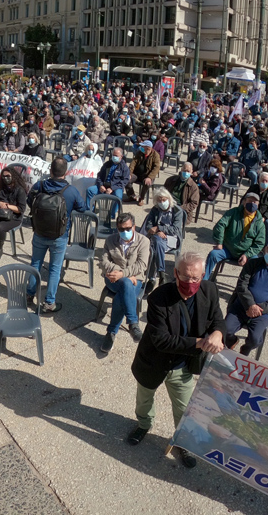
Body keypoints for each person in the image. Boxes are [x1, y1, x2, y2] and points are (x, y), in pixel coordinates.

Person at [127, 251, 226, 469]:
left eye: (195, 278)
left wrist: (218, 333)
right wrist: (200, 343)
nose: (190, 282)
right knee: (144, 399)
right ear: (175, 273)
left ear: (203, 275)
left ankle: (182, 441)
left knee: (185, 408)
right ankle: (143, 425)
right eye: (185, 276)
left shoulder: (209, 291)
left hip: (183, 366)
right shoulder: (158, 299)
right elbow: (162, 341)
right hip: (154, 361)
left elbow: (218, 319)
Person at [27, 157, 84, 313]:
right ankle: (49, 302)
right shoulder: (71, 191)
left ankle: (29, 294)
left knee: (35, 264)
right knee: (54, 269)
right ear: (66, 173)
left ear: (50, 171)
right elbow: (82, 207)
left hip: (39, 232)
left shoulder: (39, 186)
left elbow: (29, 200)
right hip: (60, 235)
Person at [223, 238, 268, 356]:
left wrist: (258, 308)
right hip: (241, 306)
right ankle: (232, 341)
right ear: (265, 250)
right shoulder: (252, 264)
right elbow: (242, 285)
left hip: (262, 313)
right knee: (225, 329)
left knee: (255, 339)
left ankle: (245, 350)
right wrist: (250, 305)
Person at [99, 213, 150, 353]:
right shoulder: (110, 240)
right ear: (117, 228)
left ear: (134, 226)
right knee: (126, 284)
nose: (125, 232)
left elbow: (142, 265)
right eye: (121, 229)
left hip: (135, 280)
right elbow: (104, 262)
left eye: (128, 228)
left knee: (123, 291)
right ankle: (133, 323)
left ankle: (111, 332)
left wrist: (123, 275)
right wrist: (122, 274)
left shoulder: (144, 241)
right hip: (112, 279)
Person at [203, 193, 267, 280]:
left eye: (254, 202)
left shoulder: (259, 222)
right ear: (244, 202)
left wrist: (247, 255)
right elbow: (220, 225)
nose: (252, 204)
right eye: (249, 201)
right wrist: (219, 242)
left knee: (255, 263)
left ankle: (246, 287)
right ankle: (204, 281)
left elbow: (260, 243)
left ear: (258, 204)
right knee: (213, 254)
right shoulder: (233, 212)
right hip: (228, 249)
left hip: (246, 253)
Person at [142, 188, 184, 284]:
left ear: (168, 199)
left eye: (164, 200)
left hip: (172, 238)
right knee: (157, 243)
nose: (162, 202)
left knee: (154, 246)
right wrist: (157, 232)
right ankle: (161, 274)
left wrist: (158, 228)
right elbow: (148, 225)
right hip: (157, 237)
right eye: (159, 200)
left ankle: (152, 278)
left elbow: (176, 230)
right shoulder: (155, 209)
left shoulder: (177, 211)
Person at [0, 167, 27, 262]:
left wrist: (7, 206)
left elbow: (21, 209)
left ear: (13, 176)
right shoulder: (1, 188)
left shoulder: (20, 190)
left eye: (8, 176)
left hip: (14, 217)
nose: (5, 178)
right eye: (3, 176)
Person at [125, 140, 161, 206]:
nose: (141, 147)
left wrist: (150, 177)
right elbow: (133, 163)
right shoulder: (140, 153)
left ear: (148, 148)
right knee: (126, 178)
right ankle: (132, 195)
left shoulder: (156, 155)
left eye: (143, 147)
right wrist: (130, 173)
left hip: (148, 175)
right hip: (138, 174)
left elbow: (156, 168)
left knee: (147, 183)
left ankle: (141, 198)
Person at [247, 171, 268, 244]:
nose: (264, 182)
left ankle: (265, 245)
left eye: (266, 181)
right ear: (259, 181)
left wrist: (264, 217)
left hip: (262, 215)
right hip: (249, 212)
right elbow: (245, 199)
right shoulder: (253, 188)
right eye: (262, 180)